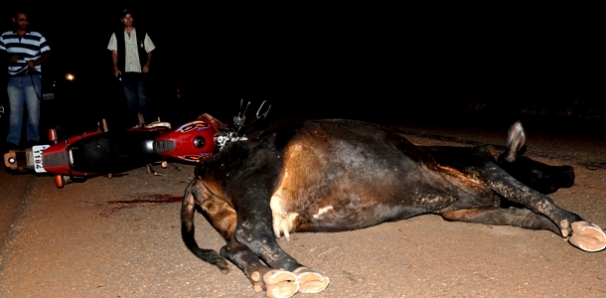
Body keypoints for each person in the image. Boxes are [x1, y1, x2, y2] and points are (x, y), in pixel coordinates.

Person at [0, 10, 50, 150]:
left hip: (32, 77)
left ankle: (33, 139)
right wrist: (9, 58)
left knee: (33, 111)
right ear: (14, 20)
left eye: (26, 19)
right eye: (21, 19)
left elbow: (47, 53)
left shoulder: (37, 36)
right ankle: (13, 141)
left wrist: (36, 61)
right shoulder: (5, 36)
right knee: (15, 112)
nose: (24, 22)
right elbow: (1, 53)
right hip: (14, 79)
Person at [107, 8, 155, 127]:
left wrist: (147, 64)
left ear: (133, 19)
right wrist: (115, 68)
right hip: (125, 72)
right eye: (126, 17)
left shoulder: (142, 32)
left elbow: (150, 51)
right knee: (130, 101)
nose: (128, 19)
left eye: (130, 17)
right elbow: (114, 52)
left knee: (143, 98)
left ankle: (148, 122)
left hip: (140, 71)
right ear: (122, 20)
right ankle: (134, 124)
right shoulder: (116, 34)